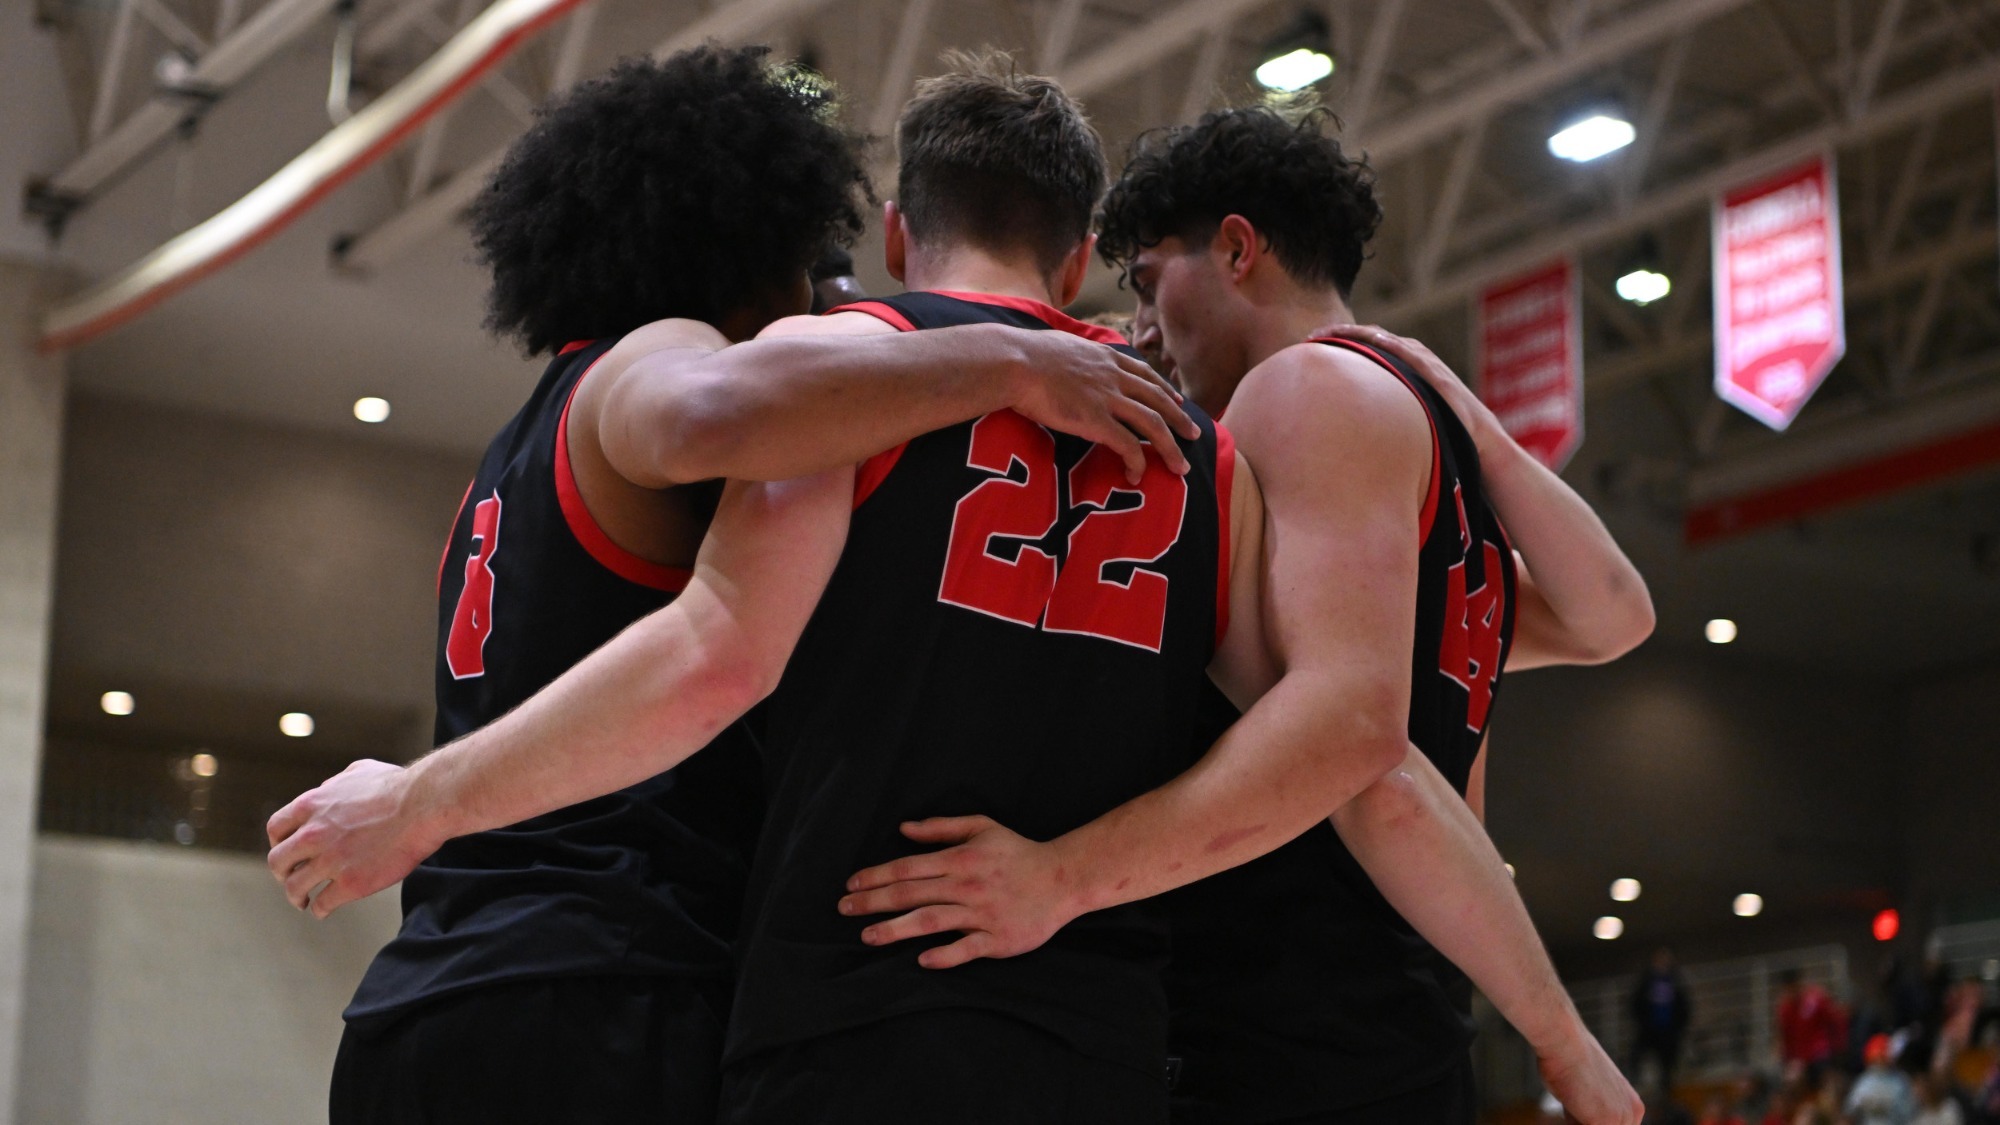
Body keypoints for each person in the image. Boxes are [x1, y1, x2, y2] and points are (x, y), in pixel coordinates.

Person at [280, 46, 1195, 1125]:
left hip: (430, 996)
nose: (818, 296)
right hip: (607, 983)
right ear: (751, 244)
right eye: (807, 265)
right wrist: (1013, 362)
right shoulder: (649, 357)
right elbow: (712, 414)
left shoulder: (513, 450)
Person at [840, 103, 1653, 1124]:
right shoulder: (1425, 455)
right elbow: (1611, 616)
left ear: (1232, 247)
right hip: (1399, 1010)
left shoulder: (1295, 392)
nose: (1138, 330)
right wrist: (1460, 405)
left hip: (1284, 1012)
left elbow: (1362, 756)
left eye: (1145, 285)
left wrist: (1060, 880)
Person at [1632, 948, 1695, 1096]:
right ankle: (1633, 1082)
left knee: (1667, 1065)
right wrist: (1642, 1022)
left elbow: (1684, 1006)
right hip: (1649, 1029)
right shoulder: (1646, 981)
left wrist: (1679, 1027)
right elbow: (1635, 1003)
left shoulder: (1675, 981)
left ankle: (1666, 1094)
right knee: (1636, 1055)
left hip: (1669, 1031)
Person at [1779, 970, 1850, 1082]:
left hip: (1821, 1052)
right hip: (1800, 1058)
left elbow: (1835, 1021)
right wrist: (1789, 1059)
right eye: (1789, 989)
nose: (1792, 992)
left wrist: (1839, 1047)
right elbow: (1786, 1036)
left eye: (1794, 987)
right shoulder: (1785, 1008)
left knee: (1827, 1078)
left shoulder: (1817, 999)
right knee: (1792, 1078)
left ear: (1799, 983)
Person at [1848, 1034, 1917, 1125]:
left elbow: (1910, 1111)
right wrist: (1866, 1105)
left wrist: (1887, 1107)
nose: (1878, 1062)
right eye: (1875, 1059)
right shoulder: (1863, 1080)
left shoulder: (1901, 1080)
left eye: (1881, 1057)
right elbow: (1851, 1108)